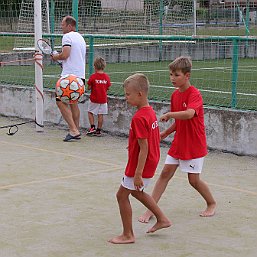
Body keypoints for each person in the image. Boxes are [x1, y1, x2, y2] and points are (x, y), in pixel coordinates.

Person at [139, 56, 216, 223]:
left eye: (176, 75)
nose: (172, 78)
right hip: (179, 142)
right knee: (165, 173)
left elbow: (188, 114)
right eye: (171, 74)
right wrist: (165, 134)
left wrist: (169, 114)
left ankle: (211, 203)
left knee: (193, 180)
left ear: (187, 76)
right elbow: (179, 121)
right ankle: (150, 210)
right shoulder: (175, 95)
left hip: (194, 143)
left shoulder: (195, 94)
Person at [108, 73, 171, 244]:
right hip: (151, 159)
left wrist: (137, 173)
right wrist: (133, 144)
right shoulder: (150, 113)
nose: (125, 97)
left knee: (121, 196)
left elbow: (144, 148)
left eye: (128, 94)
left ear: (140, 94)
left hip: (139, 164)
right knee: (137, 192)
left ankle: (128, 235)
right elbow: (151, 138)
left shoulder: (138, 117)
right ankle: (162, 219)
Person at [52, 16, 86, 142]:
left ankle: (73, 130)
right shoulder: (80, 37)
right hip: (80, 77)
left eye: (63, 25)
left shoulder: (67, 37)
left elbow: (65, 54)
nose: (61, 27)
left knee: (60, 101)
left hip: (69, 78)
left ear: (70, 26)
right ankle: (76, 129)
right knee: (73, 103)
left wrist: (56, 57)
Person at [86, 57, 111, 136]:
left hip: (94, 99)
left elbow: (89, 87)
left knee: (90, 112)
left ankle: (92, 127)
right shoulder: (106, 77)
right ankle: (98, 130)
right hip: (103, 100)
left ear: (94, 66)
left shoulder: (93, 77)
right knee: (101, 114)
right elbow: (108, 87)